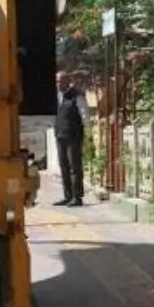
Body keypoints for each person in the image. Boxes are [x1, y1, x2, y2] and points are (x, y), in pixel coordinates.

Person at [54, 68, 90, 207]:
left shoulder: (77, 96)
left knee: (75, 167)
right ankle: (67, 196)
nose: (58, 84)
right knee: (64, 166)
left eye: (61, 81)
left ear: (68, 82)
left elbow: (85, 115)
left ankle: (77, 197)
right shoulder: (57, 96)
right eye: (57, 81)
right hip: (60, 136)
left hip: (73, 137)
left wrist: (87, 132)